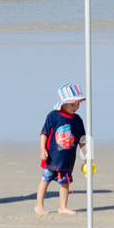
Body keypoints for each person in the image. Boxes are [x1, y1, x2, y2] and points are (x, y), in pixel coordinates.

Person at [36, 82, 87, 216]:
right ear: (63, 103)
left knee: (65, 183)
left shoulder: (77, 120)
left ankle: (62, 206)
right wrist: (42, 149)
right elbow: (44, 134)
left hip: (67, 159)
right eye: (72, 104)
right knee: (45, 180)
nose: (76, 107)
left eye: (78, 104)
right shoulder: (53, 116)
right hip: (51, 157)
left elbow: (82, 139)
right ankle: (39, 205)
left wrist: (85, 152)